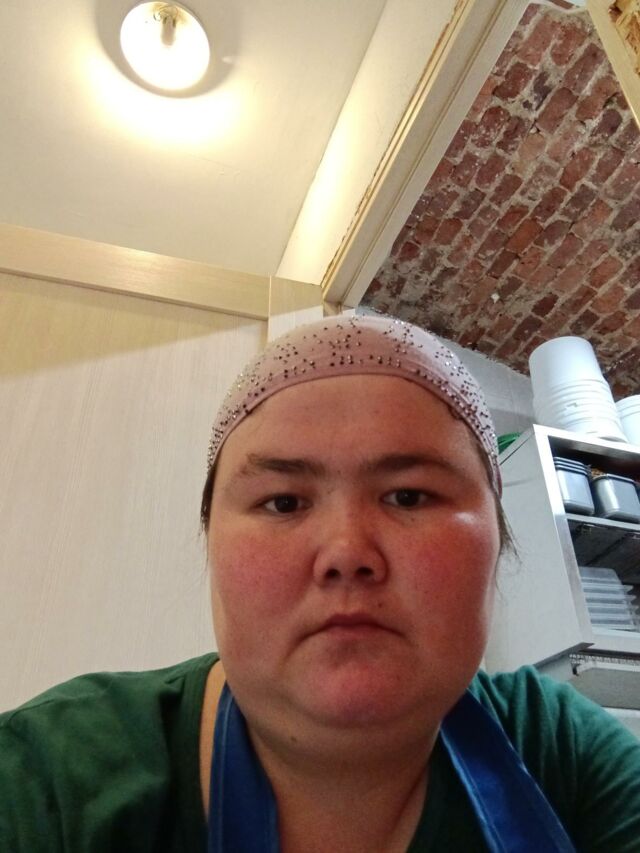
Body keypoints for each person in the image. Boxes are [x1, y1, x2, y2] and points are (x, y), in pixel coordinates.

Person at [1, 314, 639, 852]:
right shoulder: (51, 777)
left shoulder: (564, 753)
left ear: (499, 537)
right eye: (283, 502)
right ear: (211, 540)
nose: (346, 553)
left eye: (409, 495)